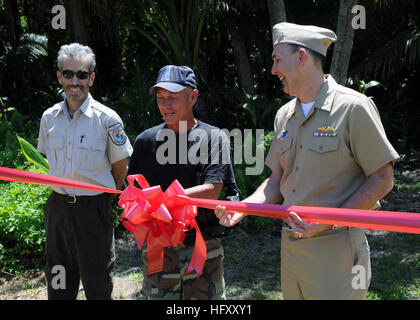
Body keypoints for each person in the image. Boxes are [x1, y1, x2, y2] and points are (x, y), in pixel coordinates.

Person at [215, 22, 400, 300]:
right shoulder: (284, 116)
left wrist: (328, 221)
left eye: (278, 60)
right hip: (291, 248)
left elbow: (382, 178)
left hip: (336, 248)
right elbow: (276, 181)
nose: (273, 70)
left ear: (301, 56)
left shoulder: (353, 108)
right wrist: (242, 208)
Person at [127, 65, 236, 300]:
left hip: (202, 247)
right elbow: (132, 192)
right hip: (158, 249)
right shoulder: (145, 141)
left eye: (173, 98)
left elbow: (212, 191)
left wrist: (161, 201)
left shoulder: (213, 138)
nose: (165, 105)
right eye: (160, 98)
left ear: (193, 97)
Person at [37, 43, 133, 300]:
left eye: (81, 74)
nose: (74, 81)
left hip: (93, 211)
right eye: (68, 74)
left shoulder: (108, 119)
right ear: (59, 77)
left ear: (91, 77)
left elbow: (120, 167)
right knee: (58, 280)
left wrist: (103, 197)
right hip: (57, 210)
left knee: (98, 283)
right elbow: (50, 160)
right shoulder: (48, 118)